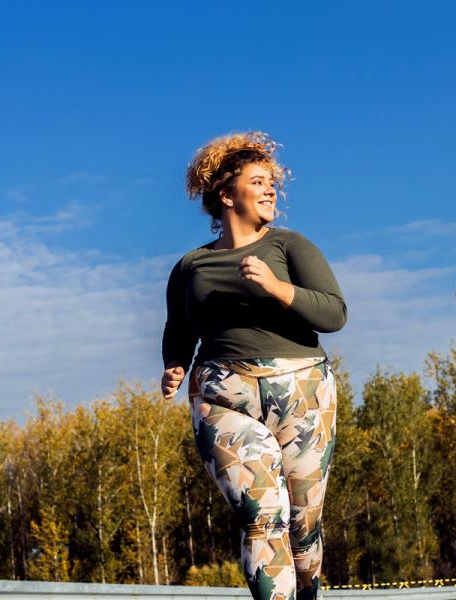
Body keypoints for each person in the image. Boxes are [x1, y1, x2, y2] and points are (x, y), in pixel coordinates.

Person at [161, 131, 347, 600]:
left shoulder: (289, 246)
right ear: (226, 194)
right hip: (222, 396)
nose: (270, 191)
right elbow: (179, 327)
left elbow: (334, 313)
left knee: (303, 528)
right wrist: (175, 364)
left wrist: (278, 289)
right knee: (262, 516)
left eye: (272, 183)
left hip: (302, 393)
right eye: (258, 182)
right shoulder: (191, 266)